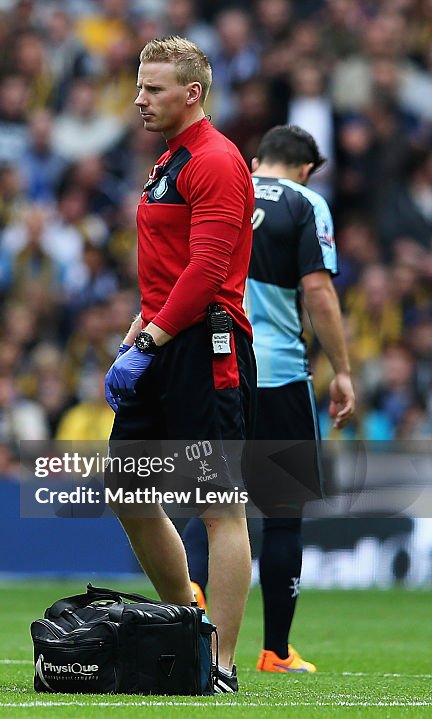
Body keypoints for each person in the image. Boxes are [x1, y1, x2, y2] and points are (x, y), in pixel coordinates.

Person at [104, 36, 255, 693]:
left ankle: (217, 662)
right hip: (163, 337)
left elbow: (208, 269)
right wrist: (143, 323)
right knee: (128, 491)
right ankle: (186, 625)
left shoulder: (217, 160)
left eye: (154, 89)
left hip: (204, 344)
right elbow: (169, 266)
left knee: (219, 504)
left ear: (192, 93)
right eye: (139, 87)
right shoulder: (171, 160)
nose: (139, 99)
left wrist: (150, 341)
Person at [181, 125, 355, 674]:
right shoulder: (306, 204)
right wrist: (344, 370)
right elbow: (319, 290)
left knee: (214, 502)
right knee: (282, 514)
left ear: (256, 161)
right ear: (305, 169)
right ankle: (275, 650)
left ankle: (189, 597)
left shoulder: (220, 186)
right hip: (278, 373)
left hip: (217, 364)